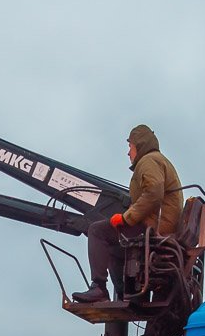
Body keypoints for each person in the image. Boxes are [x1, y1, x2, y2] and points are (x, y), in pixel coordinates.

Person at [72, 124, 184, 303]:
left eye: (130, 147)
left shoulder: (148, 161)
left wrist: (126, 218)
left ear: (139, 145)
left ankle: (98, 288)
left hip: (153, 229)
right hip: (160, 225)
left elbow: (154, 193)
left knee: (97, 231)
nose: (128, 153)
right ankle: (130, 295)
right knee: (114, 247)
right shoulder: (158, 160)